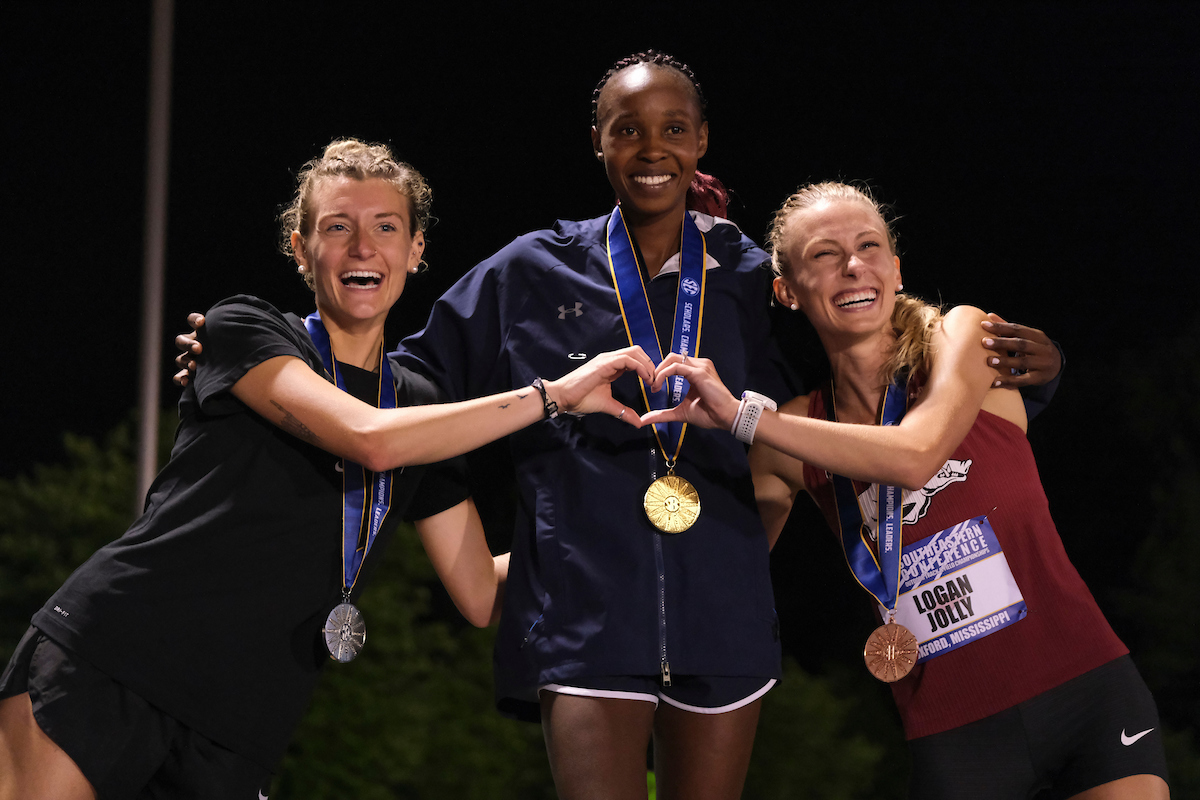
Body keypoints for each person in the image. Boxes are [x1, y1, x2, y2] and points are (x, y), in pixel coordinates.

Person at [0, 139, 653, 800]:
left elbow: (480, 591)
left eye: (386, 228)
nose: (363, 247)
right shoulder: (244, 329)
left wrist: (612, 525)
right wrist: (554, 396)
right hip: (115, 654)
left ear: (417, 250)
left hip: (241, 721)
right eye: (337, 227)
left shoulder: (418, 409)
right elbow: (368, 440)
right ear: (300, 248)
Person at [642, 181, 1170, 799]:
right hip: (954, 734)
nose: (853, 265)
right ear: (786, 291)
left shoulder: (960, 338)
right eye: (823, 254)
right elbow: (726, 569)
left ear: (895, 269)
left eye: (869, 246)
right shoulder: (785, 438)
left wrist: (744, 415)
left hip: (1088, 693)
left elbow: (916, 455)